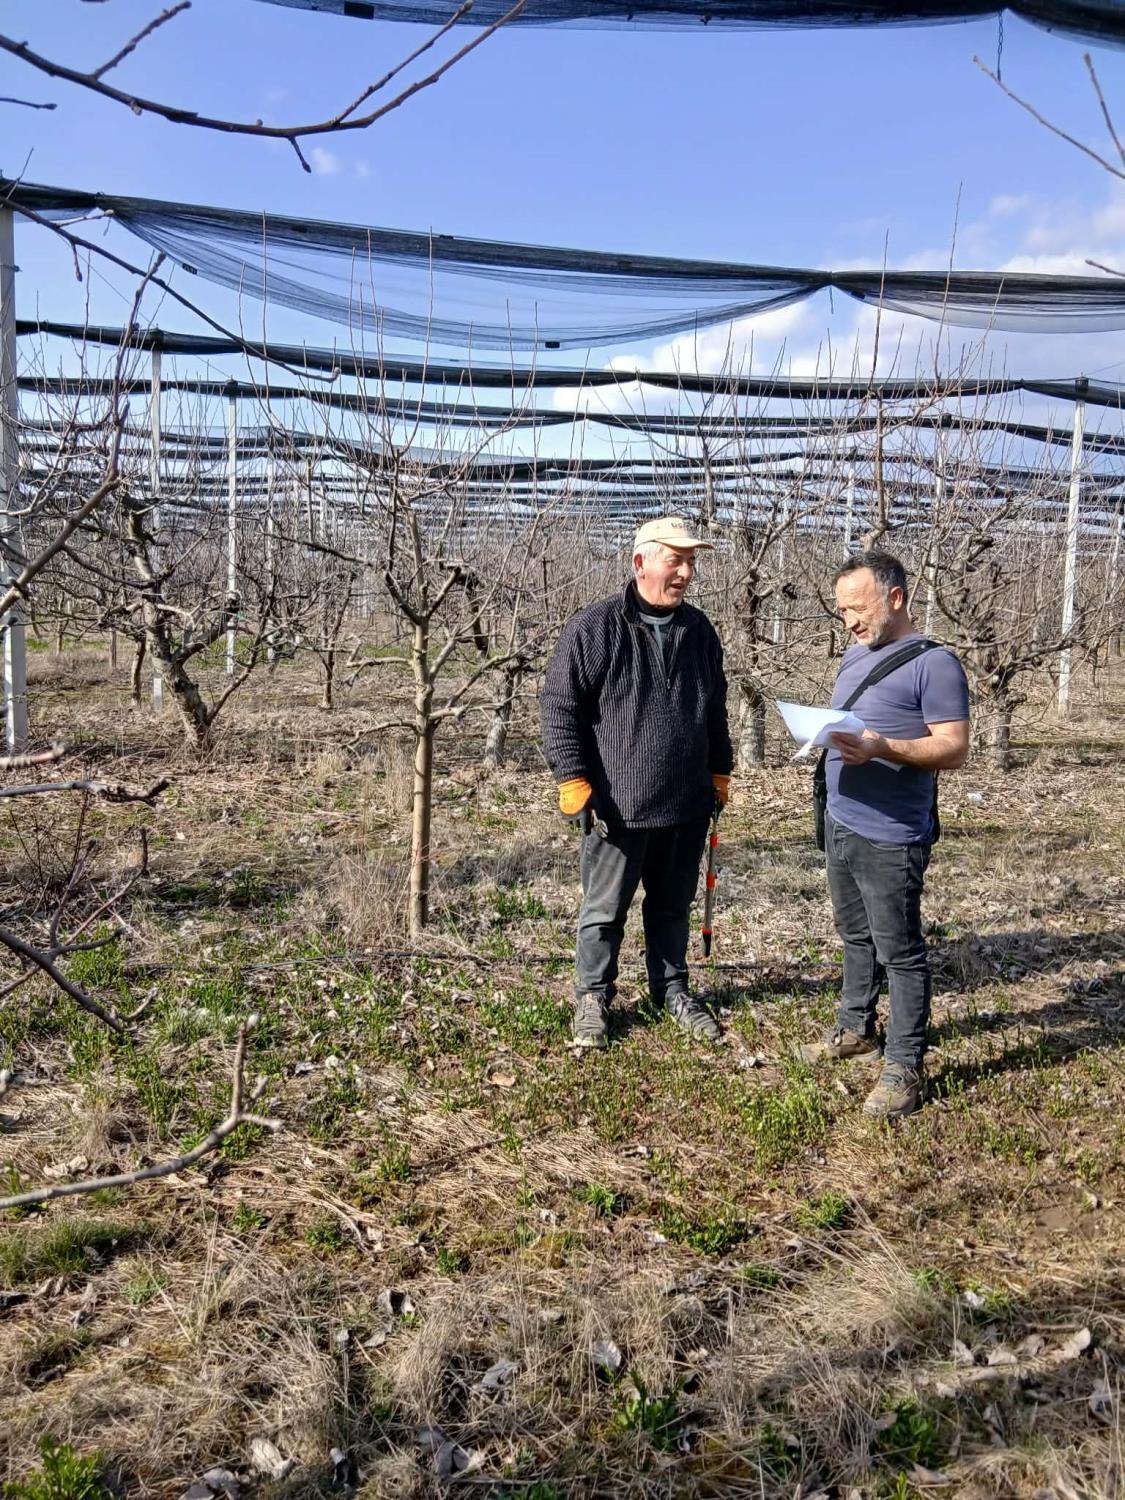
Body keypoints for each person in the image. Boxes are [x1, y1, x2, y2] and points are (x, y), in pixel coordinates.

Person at [541, 516, 733, 1049]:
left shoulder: (700, 632)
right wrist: (573, 780)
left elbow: (714, 709)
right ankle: (593, 998)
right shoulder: (596, 628)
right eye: (676, 559)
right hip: (617, 809)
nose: (687, 572)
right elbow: (559, 705)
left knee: (672, 906)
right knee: (604, 911)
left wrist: (720, 769)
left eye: (691, 561)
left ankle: (670, 989)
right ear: (640, 562)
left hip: (686, 803)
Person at [801, 550, 970, 1119]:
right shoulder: (855, 654)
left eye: (858, 607)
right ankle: (855, 1027)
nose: (849, 620)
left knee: (900, 951)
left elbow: (954, 747)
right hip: (842, 819)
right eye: (842, 609)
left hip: (893, 833)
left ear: (896, 597)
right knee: (854, 934)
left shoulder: (936, 664)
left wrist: (882, 747)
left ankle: (904, 1065)